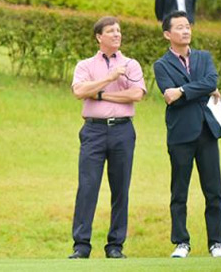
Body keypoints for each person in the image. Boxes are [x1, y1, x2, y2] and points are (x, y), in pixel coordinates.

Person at [69, 16, 146, 259]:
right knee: (88, 187)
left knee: (121, 187)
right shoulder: (85, 65)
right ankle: (81, 246)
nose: (116, 34)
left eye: (119, 31)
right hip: (94, 131)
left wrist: (100, 95)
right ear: (99, 37)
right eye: (111, 31)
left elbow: (136, 94)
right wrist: (110, 79)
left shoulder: (131, 64)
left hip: (123, 131)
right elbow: (80, 91)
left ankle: (115, 246)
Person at [153, 10, 221, 258]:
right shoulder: (161, 65)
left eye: (188, 26)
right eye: (180, 27)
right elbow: (169, 96)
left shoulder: (204, 57)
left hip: (206, 132)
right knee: (179, 192)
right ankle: (181, 242)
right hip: (181, 135)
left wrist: (182, 90)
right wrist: (201, 89)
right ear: (167, 34)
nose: (186, 30)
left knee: (214, 191)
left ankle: (216, 243)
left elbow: (211, 81)